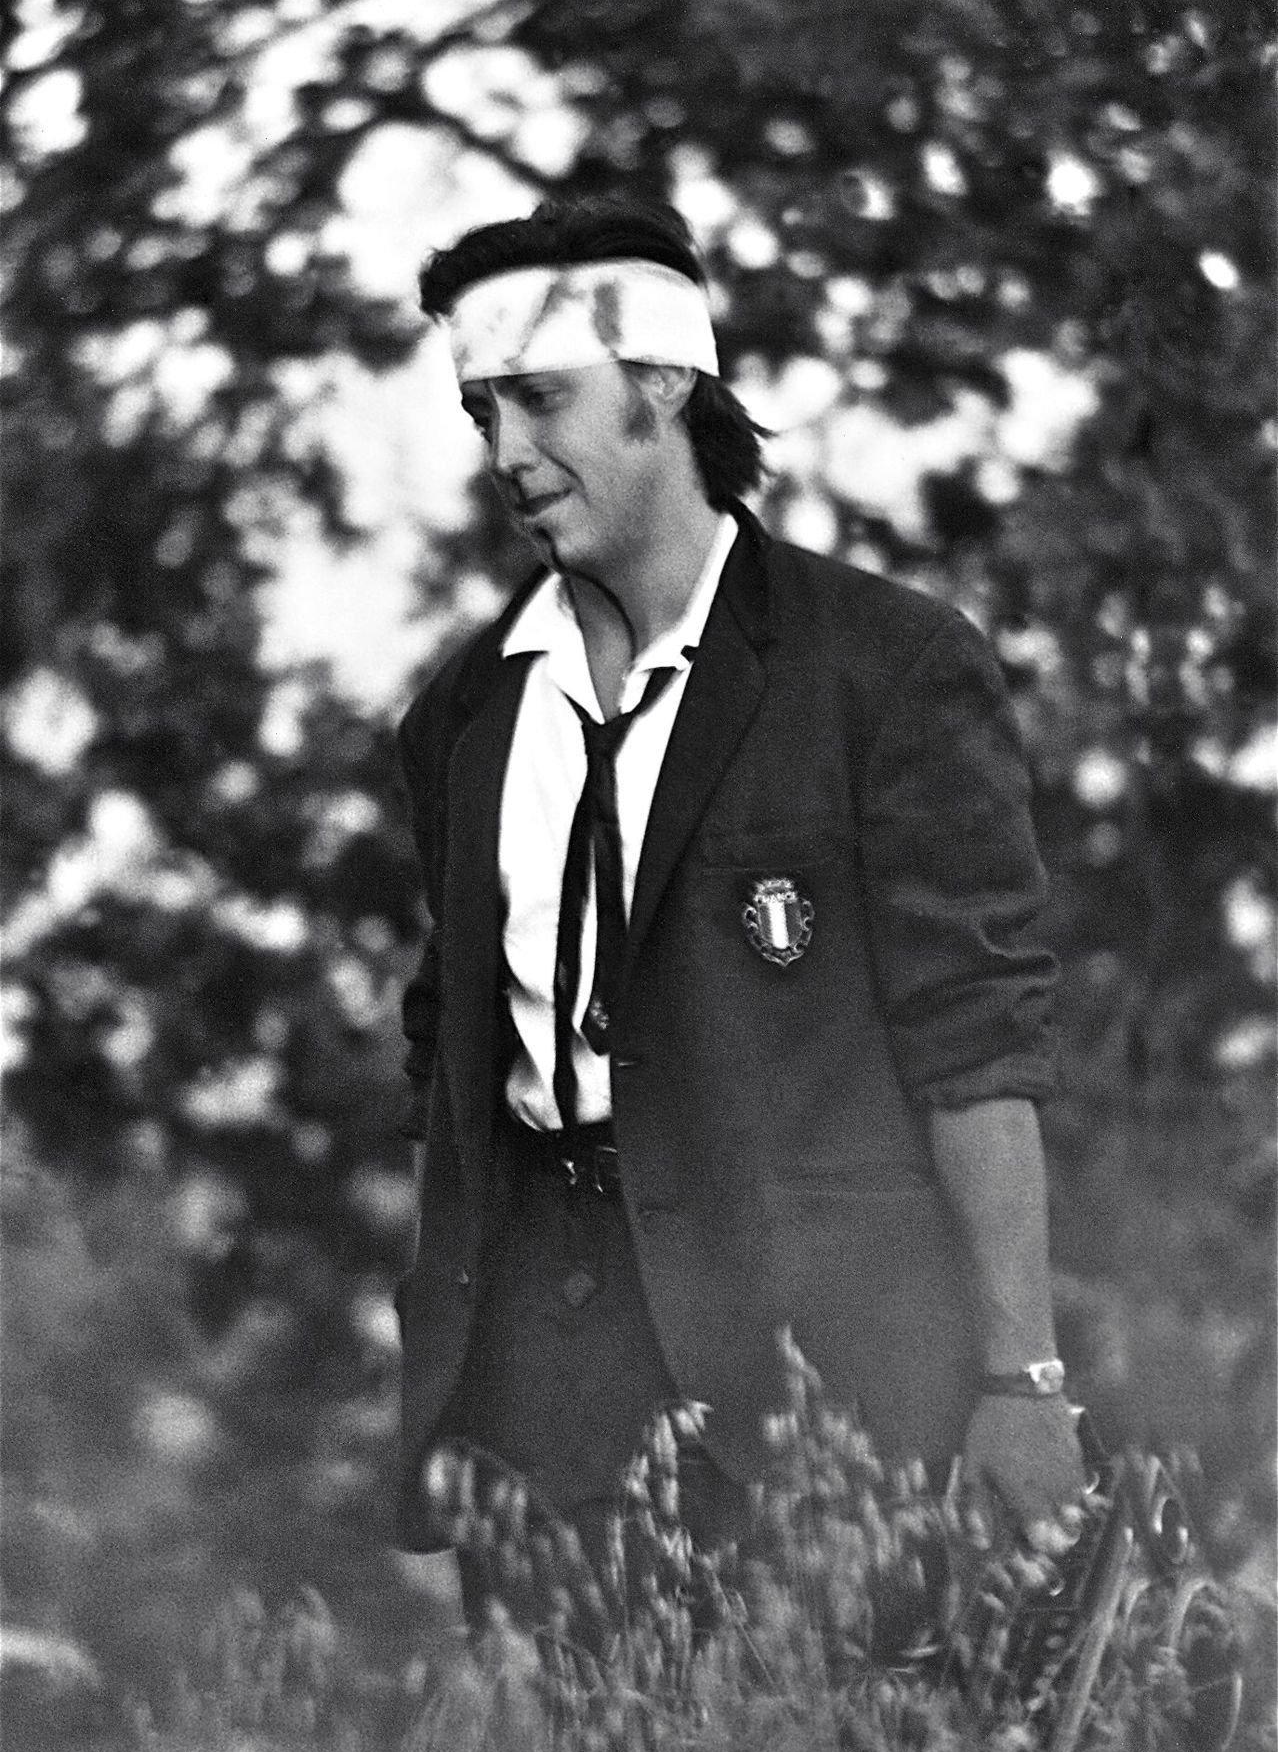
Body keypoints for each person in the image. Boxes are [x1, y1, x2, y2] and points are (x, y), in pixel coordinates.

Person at [393, 196, 1086, 1623]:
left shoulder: (884, 668)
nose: (508, 455)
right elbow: (449, 1060)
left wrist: (1020, 1381)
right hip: (541, 1389)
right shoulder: (464, 714)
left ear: (662, 384)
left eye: (537, 399)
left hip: (819, 1383)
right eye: (480, 414)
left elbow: (974, 1046)